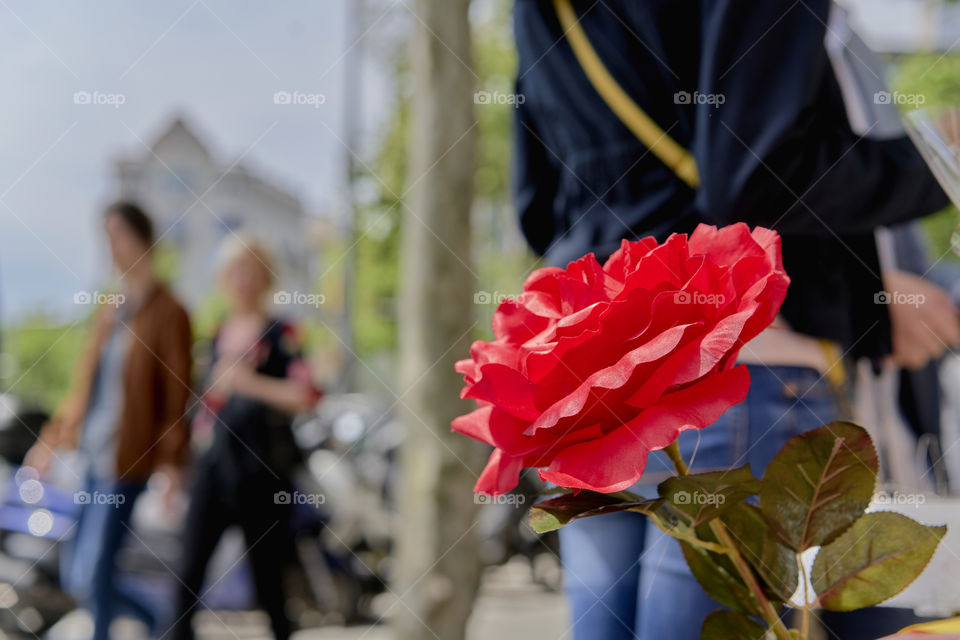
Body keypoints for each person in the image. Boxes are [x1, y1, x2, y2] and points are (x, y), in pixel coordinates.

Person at [512, 1, 960, 638]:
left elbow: (538, 207)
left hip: (592, 385)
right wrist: (940, 163)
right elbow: (758, 172)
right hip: (736, 369)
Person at [24, 201, 192, 640]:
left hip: (130, 461)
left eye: (119, 234)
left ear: (143, 238)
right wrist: (50, 442)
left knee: (97, 570)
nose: (112, 246)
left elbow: (177, 396)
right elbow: (84, 389)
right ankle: (157, 620)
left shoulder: (170, 312)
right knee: (77, 575)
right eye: (107, 236)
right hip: (93, 457)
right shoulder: (112, 311)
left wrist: (173, 462)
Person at [168, 236, 319, 640]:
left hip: (262, 472)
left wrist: (250, 383)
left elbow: (306, 396)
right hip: (215, 466)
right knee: (186, 574)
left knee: (269, 583)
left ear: (267, 276)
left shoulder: (282, 332)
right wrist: (177, 465)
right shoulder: (217, 334)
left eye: (253, 268)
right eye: (236, 269)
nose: (244, 279)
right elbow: (201, 407)